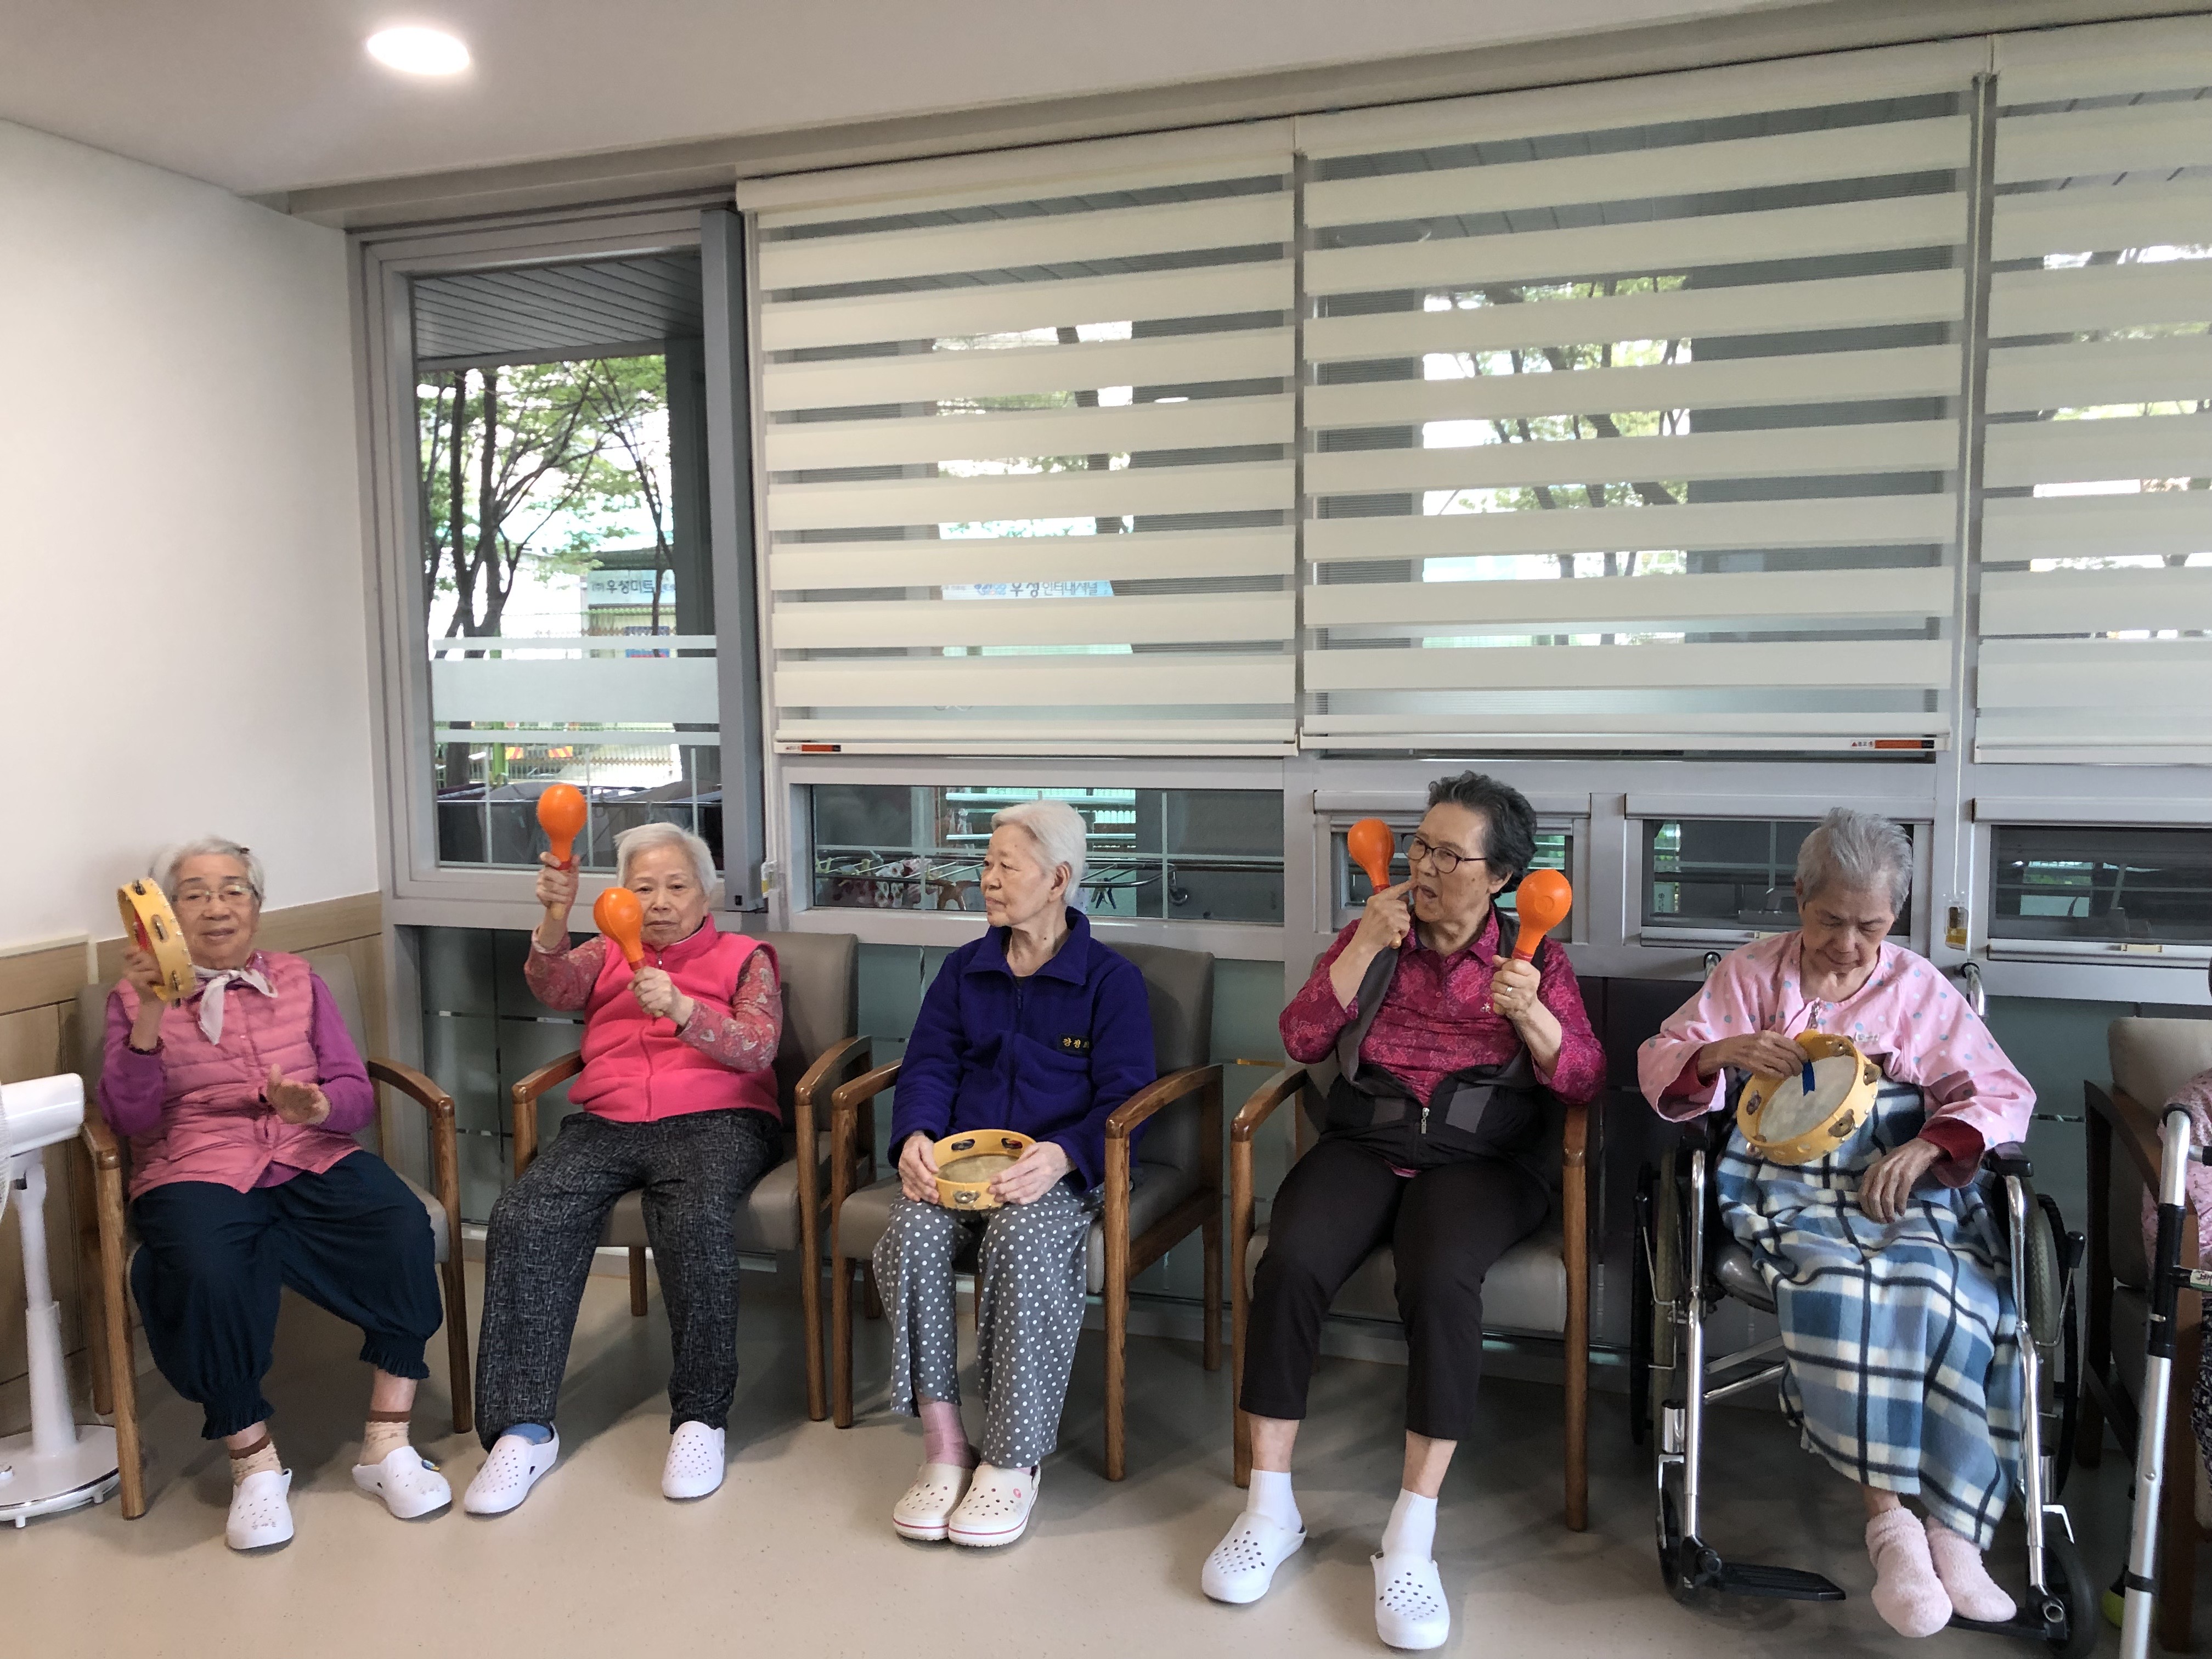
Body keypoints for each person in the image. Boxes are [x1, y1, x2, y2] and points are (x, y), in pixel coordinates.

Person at [1202, 772, 1602, 1651]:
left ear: (1501, 878)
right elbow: (1301, 1039)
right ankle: (1270, 1509)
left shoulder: (1536, 960)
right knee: (1290, 1261)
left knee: (1441, 1276)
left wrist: (1535, 1018)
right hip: (1366, 1140)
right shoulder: (1374, 934)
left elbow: (1581, 1080)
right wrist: (1358, 950)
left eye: (1449, 856)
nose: (1424, 868)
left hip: (1482, 1159)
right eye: (1420, 847)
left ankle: (1410, 1538)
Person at [1638, 807, 2034, 1639]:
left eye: (1871, 926)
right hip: (1784, 1184)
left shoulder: (1918, 988)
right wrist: (1720, 1054)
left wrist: (1929, 1145)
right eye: (1830, 921)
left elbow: (2003, 1094)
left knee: (1956, 1289)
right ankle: (1892, 1527)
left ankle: (1955, 1533)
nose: (1849, 945)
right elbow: (1662, 1060)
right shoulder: (1751, 975)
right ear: (1799, 898)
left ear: (1895, 919)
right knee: (1843, 1285)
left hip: (1901, 1182)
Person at [101, 837, 448, 1550]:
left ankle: (387, 1443)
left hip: (305, 1152)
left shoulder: (298, 978)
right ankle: (253, 1462)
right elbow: (128, 1118)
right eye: (195, 894)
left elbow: (353, 1091)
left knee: (399, 1226)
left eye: (234, 890)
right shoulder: (130, 1000)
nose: (217, 907)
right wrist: (148, 1013)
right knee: (207, 1269)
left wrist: (318, 1107)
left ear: (257, 908)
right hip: (194, 1166)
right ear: (165, 917)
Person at [464, 820, 783, 1514]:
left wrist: (684, 1008)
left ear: (707, 894)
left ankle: (700, 1418)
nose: (660, 902)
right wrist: (555, 917)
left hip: (720, 1118)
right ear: (622, 898)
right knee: (524, 1216)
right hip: (608, 1121)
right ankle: (522, 1430)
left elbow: (758, 1046)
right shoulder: (606, 952)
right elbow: (552, 987)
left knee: (694, 1218)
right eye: (644, 888)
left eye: (677, 886)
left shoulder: (745, 956)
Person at [873, 798, 1155, 1549]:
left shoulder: (1110, 982)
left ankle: (1011, 1457)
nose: (988, 880)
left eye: (1006, 866)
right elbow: (929, 1065)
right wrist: (916, 1137)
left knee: (1022, 1242)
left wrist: (1064, 1154)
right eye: (986, 864)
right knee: (908, 1234)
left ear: (1058, 879)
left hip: (1055, 1172)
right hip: (962, 1167)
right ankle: (944, 1444)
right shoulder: (965, 971)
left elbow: (1127, 1096)